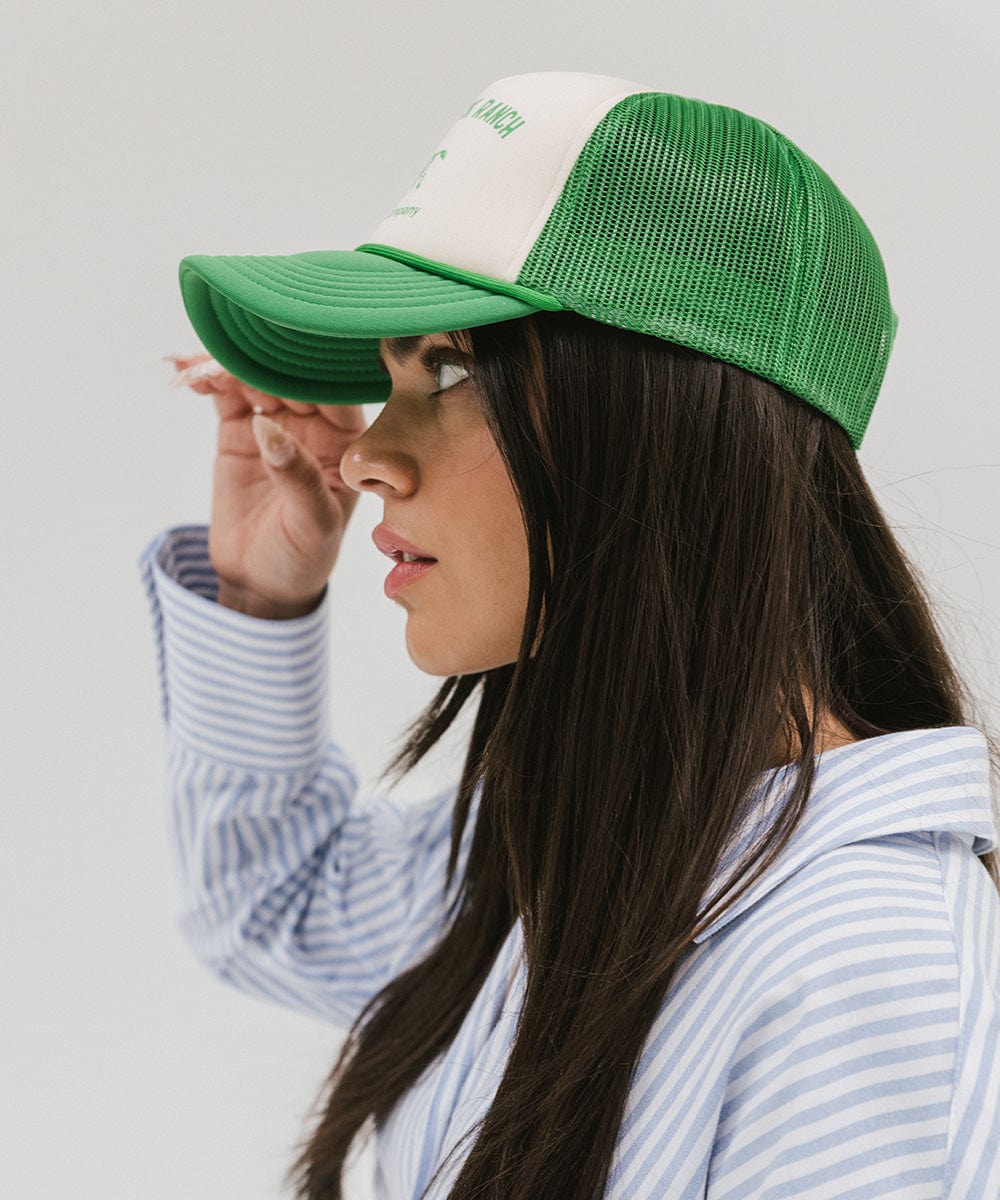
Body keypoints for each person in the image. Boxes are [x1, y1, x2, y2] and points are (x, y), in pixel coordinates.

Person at [140, 72, 1000, 1199]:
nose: (362, 456)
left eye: (446, 370)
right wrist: (262, 594)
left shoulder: (862, 970)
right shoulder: (595, 839)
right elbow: (273, 908)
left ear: (667, 423)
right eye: (392, 375)